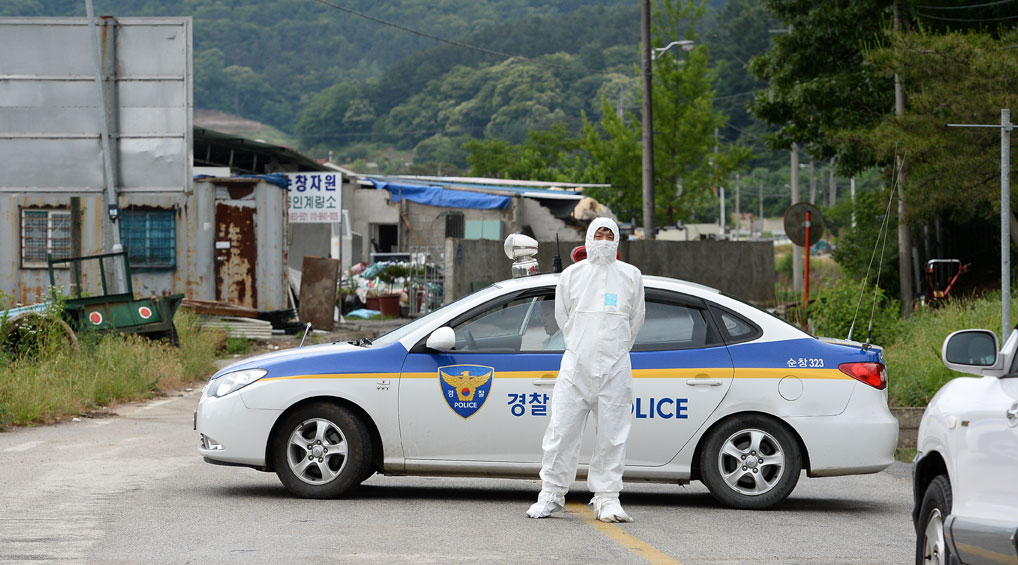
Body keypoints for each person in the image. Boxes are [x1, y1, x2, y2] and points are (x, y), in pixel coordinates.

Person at [526, 217, 646, 522]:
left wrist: (613, 350)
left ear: (617, 240)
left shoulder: (631, 276)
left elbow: (635, 321)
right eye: (599, 234)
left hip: (616, 368)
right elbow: (563, 318)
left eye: (610, 234)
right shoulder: (571, 276)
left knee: (612, 435)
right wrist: (584, 347)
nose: (604, 239)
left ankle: (607, 498)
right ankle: (551, 494)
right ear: (588, 238)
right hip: (575, 367)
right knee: (561, 431)